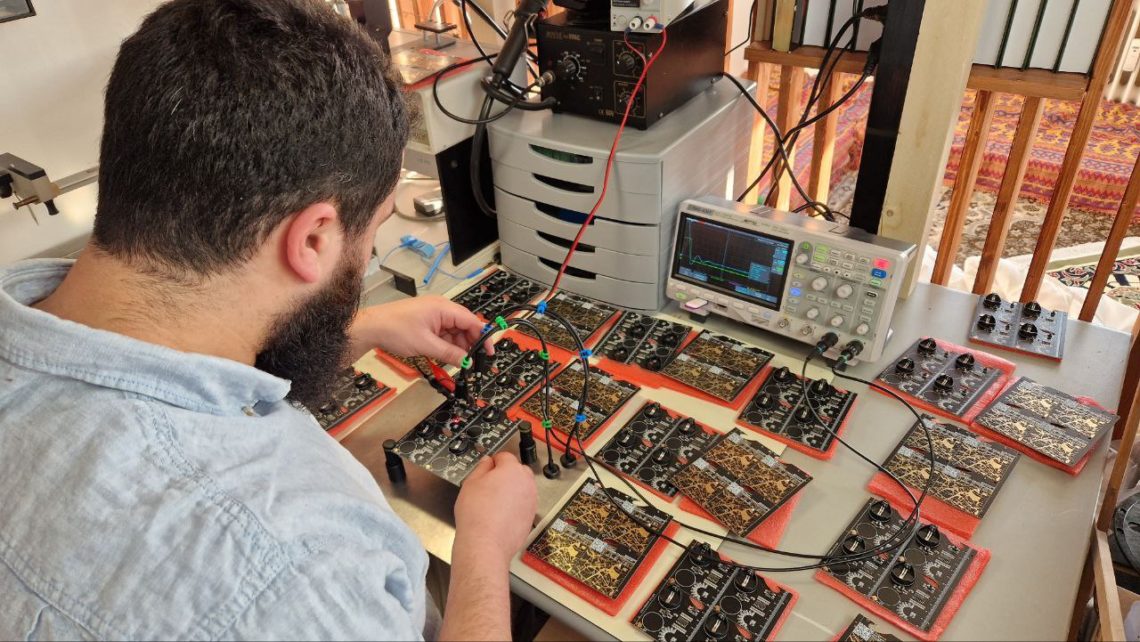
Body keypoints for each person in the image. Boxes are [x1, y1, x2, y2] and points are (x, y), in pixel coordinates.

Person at [0, 0, 538, 639]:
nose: (369, 251)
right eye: (373, 230)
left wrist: (361, 330)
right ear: (312, 239)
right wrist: (484, 548)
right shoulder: (292, 573)